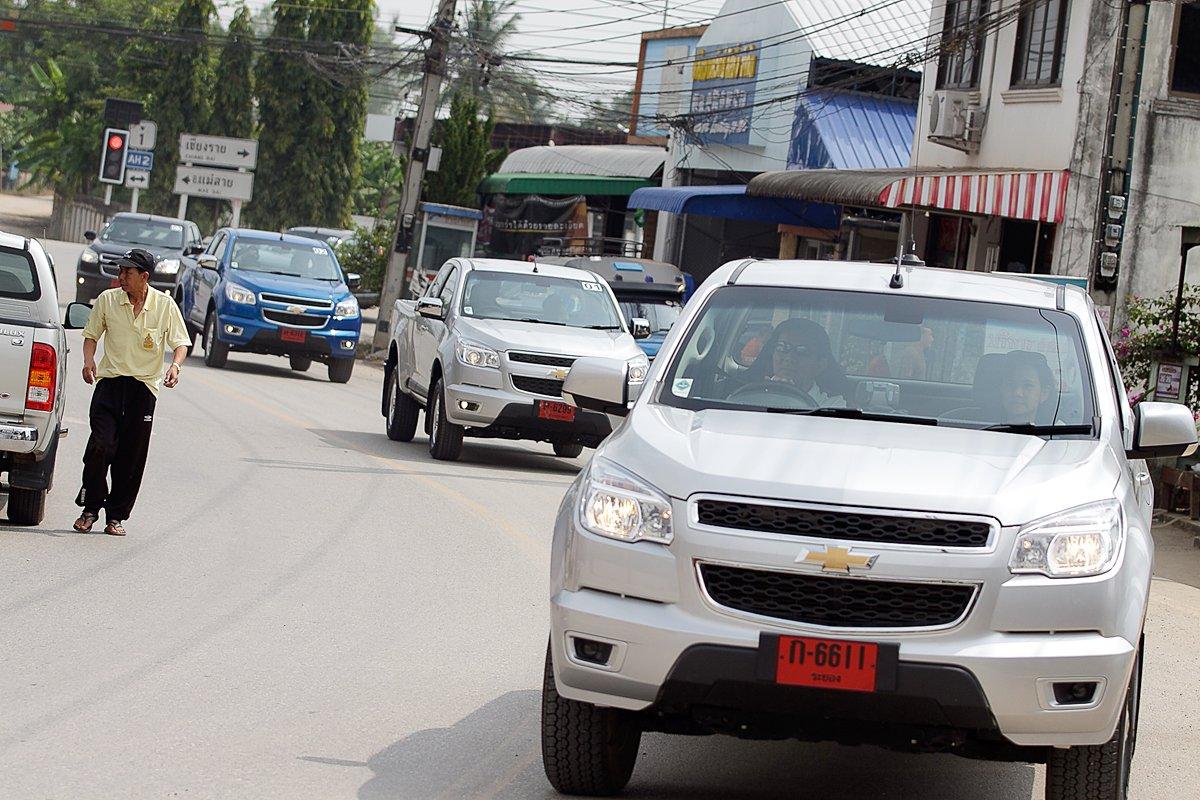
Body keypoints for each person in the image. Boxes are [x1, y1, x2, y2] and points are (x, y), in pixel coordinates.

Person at [72, 248, 192, 536]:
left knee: (131, 456)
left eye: (127, 272)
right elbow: (91, 336)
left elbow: (180, 343)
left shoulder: (164, 305)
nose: (121, 276)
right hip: (110, 385)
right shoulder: (107, 300)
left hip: (143, 389)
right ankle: (90, 509)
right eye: (120, 270)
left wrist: (175, 366)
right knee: (101, 446)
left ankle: (116, 517)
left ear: (144, 277)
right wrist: (89, 361)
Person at [741, 318, 848, 407]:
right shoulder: (748, 394)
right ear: (772, 354)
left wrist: (787, 398)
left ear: (820, 365)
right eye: (782, 347)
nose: (789, 358)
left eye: (802, 351)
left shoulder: (833, 405)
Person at [997, 350, 1056, 424]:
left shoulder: (1057, 431)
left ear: (1044, 393)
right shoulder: (980, 430)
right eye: (1010, 384)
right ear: (1001, 389)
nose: (1017, 393)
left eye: (1028, 386)